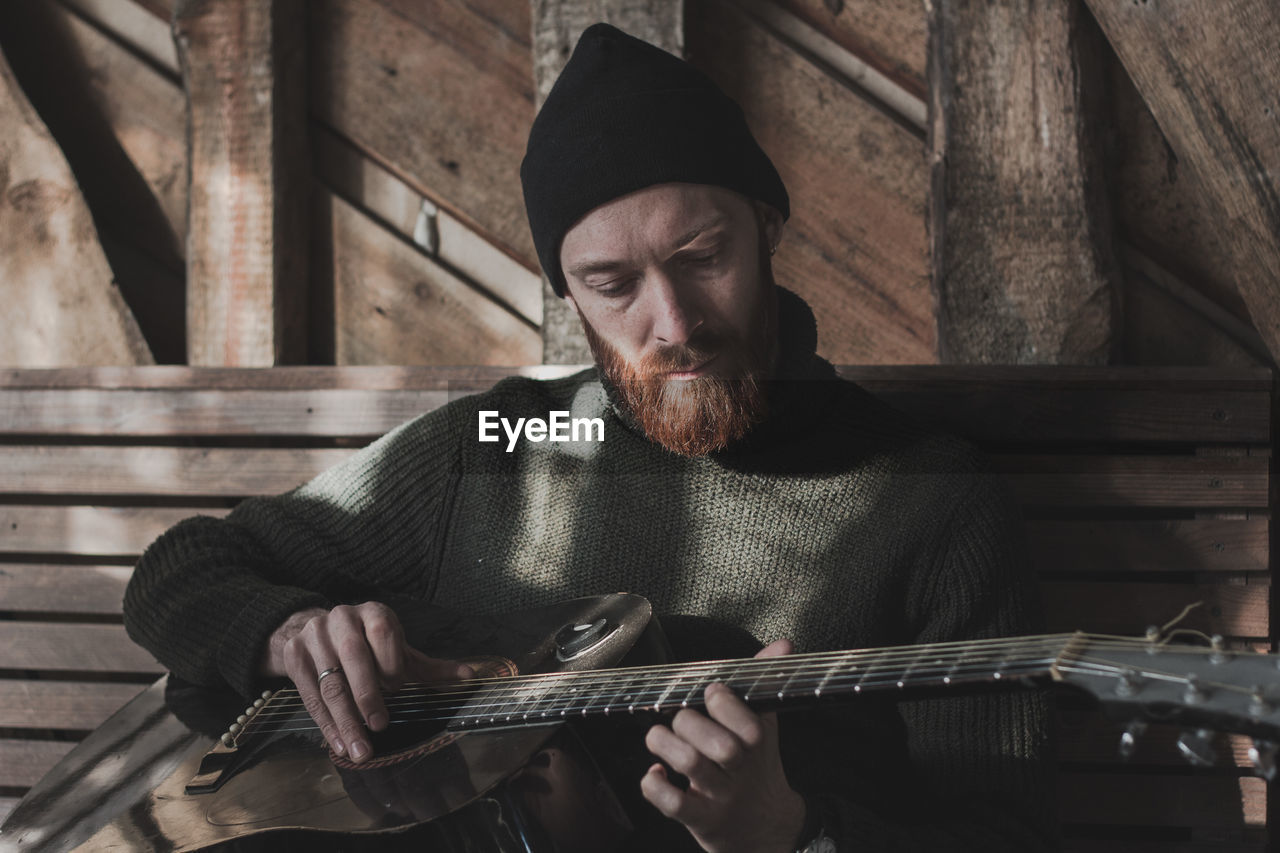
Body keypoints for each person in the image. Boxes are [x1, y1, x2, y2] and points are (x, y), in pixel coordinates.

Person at [124, 23, 1054, 852]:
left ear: (766, 226)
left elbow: (1003, 833)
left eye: (702, 258)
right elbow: (182, 570)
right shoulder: (493, 445)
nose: (674, 322)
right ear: (570, 298)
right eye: (614, 285)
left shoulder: (936, 503)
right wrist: (288, 635)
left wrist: (790, 835)